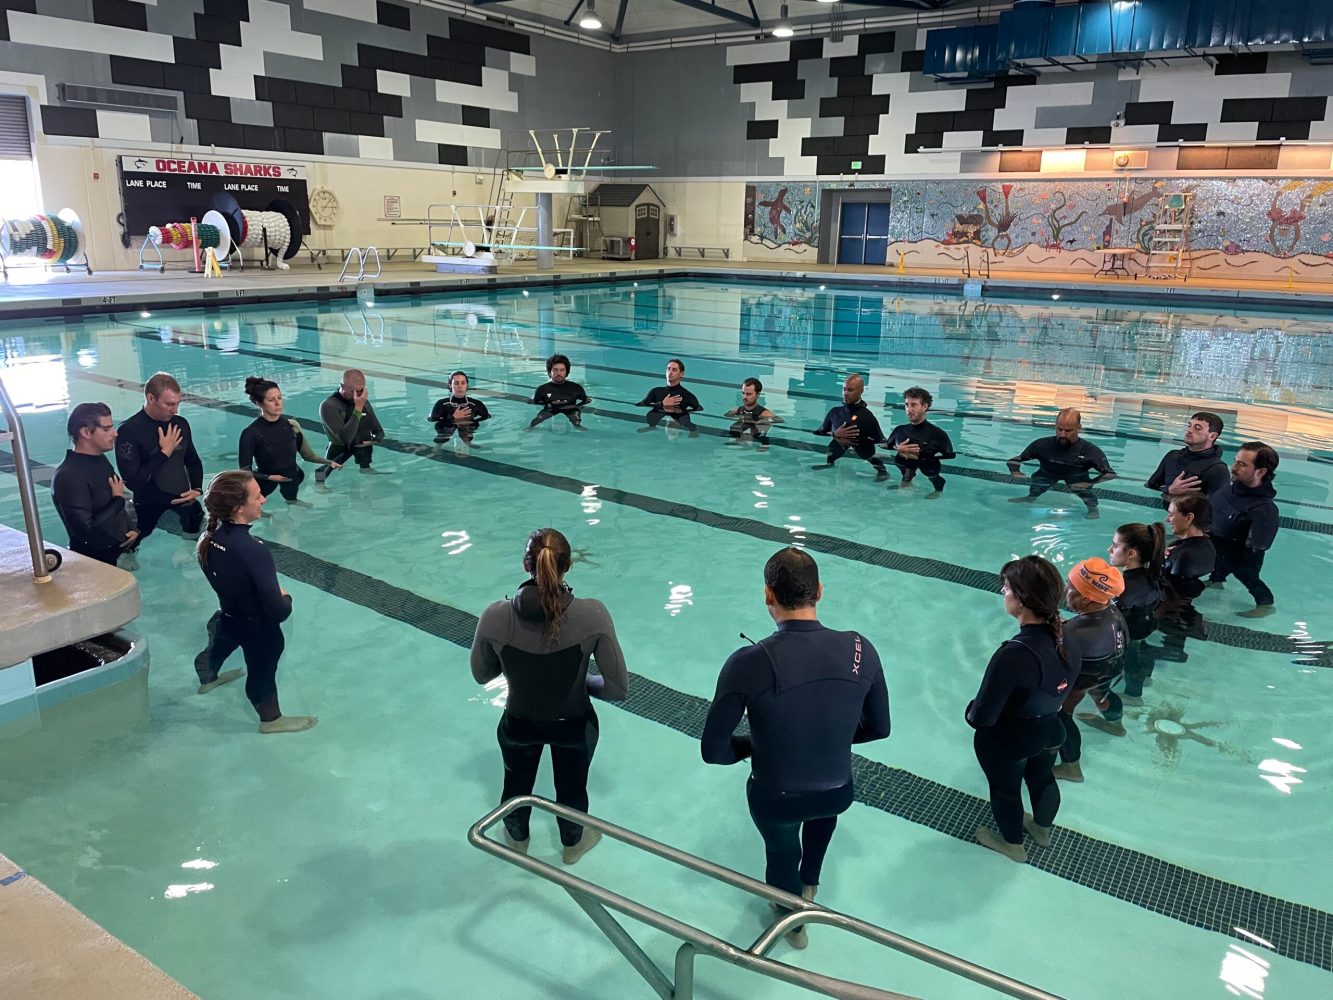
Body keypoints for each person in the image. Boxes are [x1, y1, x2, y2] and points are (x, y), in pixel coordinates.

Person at [701, 548, 890, 948]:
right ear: (820, 591)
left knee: (781, 851)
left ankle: (793, 924)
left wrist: (753, 747)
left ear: (767, 595)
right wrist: (828, 739)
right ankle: (810, 887)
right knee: (822, 820)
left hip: (777, 796)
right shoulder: (861, 648)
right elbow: (879, 728)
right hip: (838, 791)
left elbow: (713, 751)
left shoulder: (747, 662)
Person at [471, 528, 628, 865]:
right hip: (574, 726)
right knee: (572, 790)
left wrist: (517, 663)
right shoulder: (593, 615)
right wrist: (580, 680)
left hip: (519, 723)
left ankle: (517, 841)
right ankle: (573, 845)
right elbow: (617, 689)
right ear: (568, 566)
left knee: (515, 784)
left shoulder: (495, 616)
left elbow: (482, 674)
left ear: (525, 564)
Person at [968, 555, 1080, 863]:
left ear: (1022, 600)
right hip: (1051, 728)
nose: (1003, 594)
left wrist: (970, 710)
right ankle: (1042, 829)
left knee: (1006, 790)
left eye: (1005, 589)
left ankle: (1013, 846)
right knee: (1042, 777)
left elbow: (981, 718)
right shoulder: (1069, 633)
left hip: (1012, 740)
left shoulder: (1014, 654)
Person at [194, 470, 317, 734]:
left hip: (228, 615)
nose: (263, 500)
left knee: (219, 645)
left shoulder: (208, 539)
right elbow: (278, 612)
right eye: (258, 496)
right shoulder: (252, 549)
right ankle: (271, 720)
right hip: (257, 627)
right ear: (239, 507)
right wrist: (287, 597)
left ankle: (208, 679)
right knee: (262, 669)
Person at [1052, 558, 1127, 783]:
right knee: (1102, 693)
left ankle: (1071, 767)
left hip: (1086, 673)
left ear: (1085, 597)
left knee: (1061, 714)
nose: (1065, 590)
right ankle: (1116, 725)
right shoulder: (1114, 611)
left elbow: (1056, 656)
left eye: (1070, 587)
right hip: (1111, 665)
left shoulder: (1075, 631)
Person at [115, 372, 204, 546]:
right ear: (151, 398)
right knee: (134, 549)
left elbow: (193, 461)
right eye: (169, 404)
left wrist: (197, 488)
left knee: (194, 547)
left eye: (177, 404)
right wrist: (164, 453)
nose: (175, 410)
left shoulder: (180, 424)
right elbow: (133, 482)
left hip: (185, 503)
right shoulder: (129, 431)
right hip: (149, 507)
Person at [51, 403, 138, 567]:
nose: (115, 434)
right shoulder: (68, 476)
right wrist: (118, 501)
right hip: (94, 564)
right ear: (85, 432)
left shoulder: (99, 459)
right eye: (106, 429)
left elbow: (113, 502)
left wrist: (132, 529)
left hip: (116, 553)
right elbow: (85, 532)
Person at [238, 377, 336, 507]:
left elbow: (307, 455)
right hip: (264, 481)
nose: (278, 403)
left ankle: (292, 500)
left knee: (292, 491)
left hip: (292, 476)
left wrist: (329, 462)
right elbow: (244, 472)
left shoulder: (291, 425)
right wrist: (270, 477)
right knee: (258, 502)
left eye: (279, 398)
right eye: (271, 400)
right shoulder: (250, 433)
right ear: (258, 403)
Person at [1207, 442, 1279, 618]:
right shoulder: (1231, 489)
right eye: (1235, 461)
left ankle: (1266, 604)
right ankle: (1216, 581)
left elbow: (1258, 546)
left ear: (1260, 472)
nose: (1233, 468)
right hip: (1216, 543)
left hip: (1239, 554)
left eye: (1242, 464)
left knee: (1248, 577)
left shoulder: (1264, 509)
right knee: (1217, 567)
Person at [1007, 408, 1116, 519]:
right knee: (1038, 483)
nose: (1062, 434)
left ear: (1079, 428)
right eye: (1059, 429)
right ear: (1055, 426)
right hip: (1048, 473)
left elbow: (1110, 474)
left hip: (1076, 477)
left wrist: (1090, 483)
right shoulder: (1042, 445)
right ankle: (1030, 498)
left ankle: (1093, 509)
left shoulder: (1090, 451)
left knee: (1085, 492)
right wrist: (1015, 471)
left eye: (1068, 431)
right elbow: (1014, 461)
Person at [1104, 523, 1164, 714]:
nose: (1109, 550)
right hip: (1146, 624)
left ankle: (1133, 695)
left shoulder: (1125, 589)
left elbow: (1114, 617)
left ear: (1131, 554)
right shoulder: (1152, 573)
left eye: (1114, 545)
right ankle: (1146, 676)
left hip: (1132, 631)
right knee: (1142, 650)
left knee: (1131, 659)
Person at [1150, 495, 1216, 667]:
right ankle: (1175, 648)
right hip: (1184, 604)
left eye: (1171, 514)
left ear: (1189, 518)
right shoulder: (1203, 545)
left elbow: (1171, 591)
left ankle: (1173, 651)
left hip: (1172, 608)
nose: (1167, 519)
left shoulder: (1186, 555)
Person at [1145, 411, 1230, 509]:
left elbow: (1219, 507)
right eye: (1189, 426)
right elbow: (1150, 485)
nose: (1189, 430)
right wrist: (1170, 490)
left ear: (1212, 436)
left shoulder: (1218, 469)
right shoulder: (1172, 456)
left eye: (1197, 428)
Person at [883, 386, 956, 498]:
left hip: (928, 465)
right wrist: (898, 449)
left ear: (924, 407)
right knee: (904, 468)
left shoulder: (938, 434)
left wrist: (923, 455)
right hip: (905, 464)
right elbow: (886, 446)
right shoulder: (899, 430)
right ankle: (906, 481)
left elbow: (950, 455)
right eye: (907, 404)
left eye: (914, 405)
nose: (909, 409)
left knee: (932, 476)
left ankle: (938, 490)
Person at [811, 374, 887, 479]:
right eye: (844, 389)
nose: (845, 393)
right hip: (837, 447)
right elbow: (819, 432)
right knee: (834, 448)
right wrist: (835, 434)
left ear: (861, 391)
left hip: (863, 448)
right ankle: (829, 463)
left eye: (850, 390)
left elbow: (882, 440)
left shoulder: (867, 417)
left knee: (867, 453)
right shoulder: (834, 413)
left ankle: (882, 471)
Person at [318, 369, 385, 481]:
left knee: (365, 467)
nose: (357, 396)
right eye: (353, 391)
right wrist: (358, 408)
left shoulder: (364, 402)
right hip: (339, 448)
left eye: (360, 391)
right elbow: (346, 438)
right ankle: (318, 487)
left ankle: (366, 470)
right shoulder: (328, 406)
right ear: (342, 386)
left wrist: (372, 441)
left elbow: (379, 432)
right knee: (323, 474)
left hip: (362, 448)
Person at [636, 358, 702, 435]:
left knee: (684, 421)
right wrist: (662, 404)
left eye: (674, 370)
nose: (670, 372)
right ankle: (652, 426)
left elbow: (699, 408)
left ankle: (693, 429)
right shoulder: (656, 391)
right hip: (660, 410)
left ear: (681, 374)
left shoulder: (687, 395)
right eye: (668, 369)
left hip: (679, 414)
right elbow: (640, 404)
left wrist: (681, 411)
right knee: (651, 416)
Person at [429, 370, 491, 444]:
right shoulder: (441, 404)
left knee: (468, 428)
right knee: (445, 432)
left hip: (468, 430)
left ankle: (467, 442)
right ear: (450, 385)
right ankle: (439, 446)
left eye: (463, 383)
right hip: (447, 430)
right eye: (456, 383)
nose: (460, 386)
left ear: (467, 385)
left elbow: (486, 417)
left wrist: (470, 421)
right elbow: (432, 420)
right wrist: (453, 418)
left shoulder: (476, 404)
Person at [529, 354, 589, 429]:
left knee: (578, 425)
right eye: (555, 370)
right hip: (549, 410)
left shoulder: (577, 388)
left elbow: (585, 401)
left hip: (571, 409)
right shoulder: (541, 389)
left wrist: (574, 406)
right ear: (550, 371)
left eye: (562, 370)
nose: (559, 373)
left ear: (567, 371)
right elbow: (534, 403)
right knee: (533, 425)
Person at [724, 377, 780, 446]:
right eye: (743, 393)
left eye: (748, 394)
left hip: (753, 445)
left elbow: (779, 421)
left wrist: (762, 422)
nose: (744, 397)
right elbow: (726, 415)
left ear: (758, 395)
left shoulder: (764, 413)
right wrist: (740, 417)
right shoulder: (738, 410)